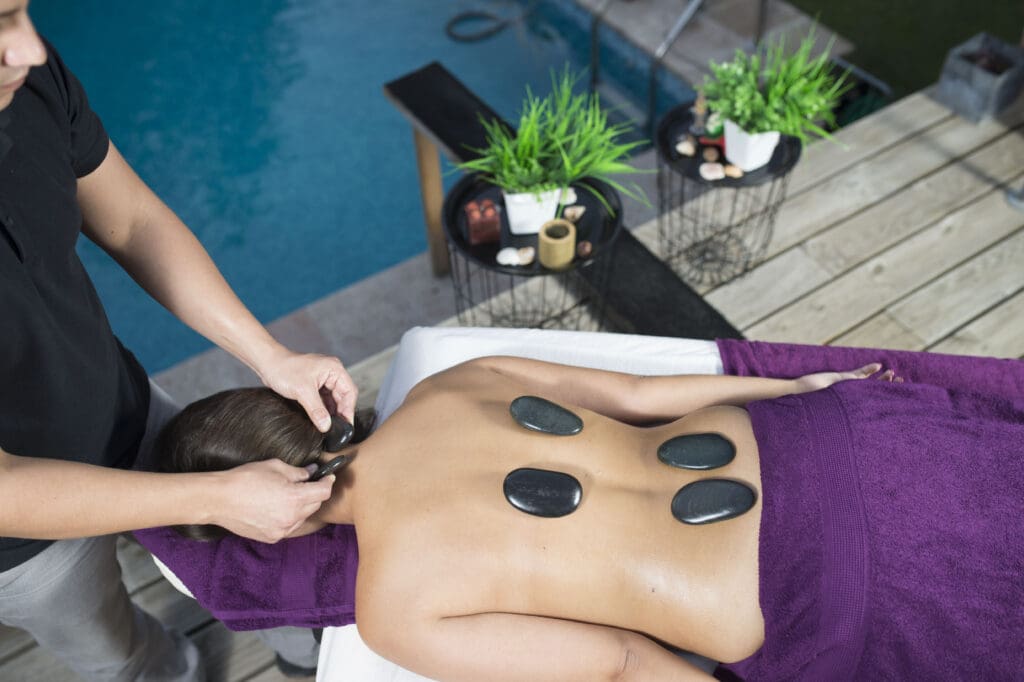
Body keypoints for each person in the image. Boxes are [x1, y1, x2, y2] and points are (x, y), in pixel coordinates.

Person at [152, 356, 956, 681]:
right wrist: (807, 390)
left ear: (265, 521)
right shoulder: (448, 386)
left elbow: (618, 662)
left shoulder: (394, 608)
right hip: (812, 441)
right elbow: (639, 399)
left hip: (814, 587)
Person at [0, 2, 356, 679]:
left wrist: (269, 355)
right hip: (22, 537)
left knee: (265, 553)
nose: (32, 50)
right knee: (117, 650)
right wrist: (214, 498)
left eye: (19, 11)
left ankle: (299, 650)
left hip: (121, 401)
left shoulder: (28, 85)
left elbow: (133, 222)